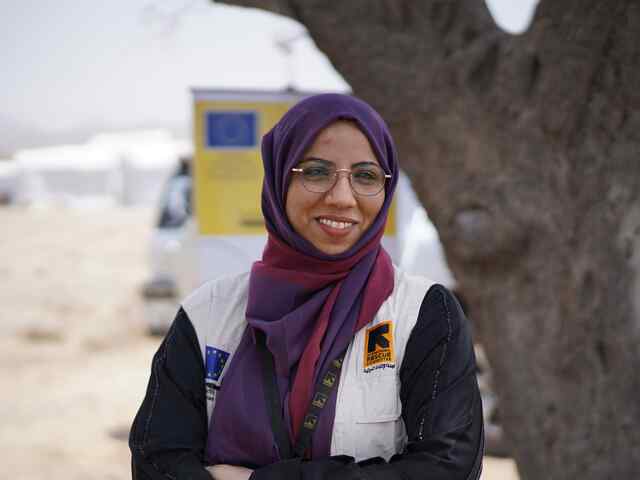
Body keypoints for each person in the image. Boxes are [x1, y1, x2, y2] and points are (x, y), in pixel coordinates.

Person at [129, 94, 484, 480]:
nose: (342, 198)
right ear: (280, 177)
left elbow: (449, 468)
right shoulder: (207, 314)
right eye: (316, 171)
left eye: (366, 176)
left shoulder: (424, 314)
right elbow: (156, 463)